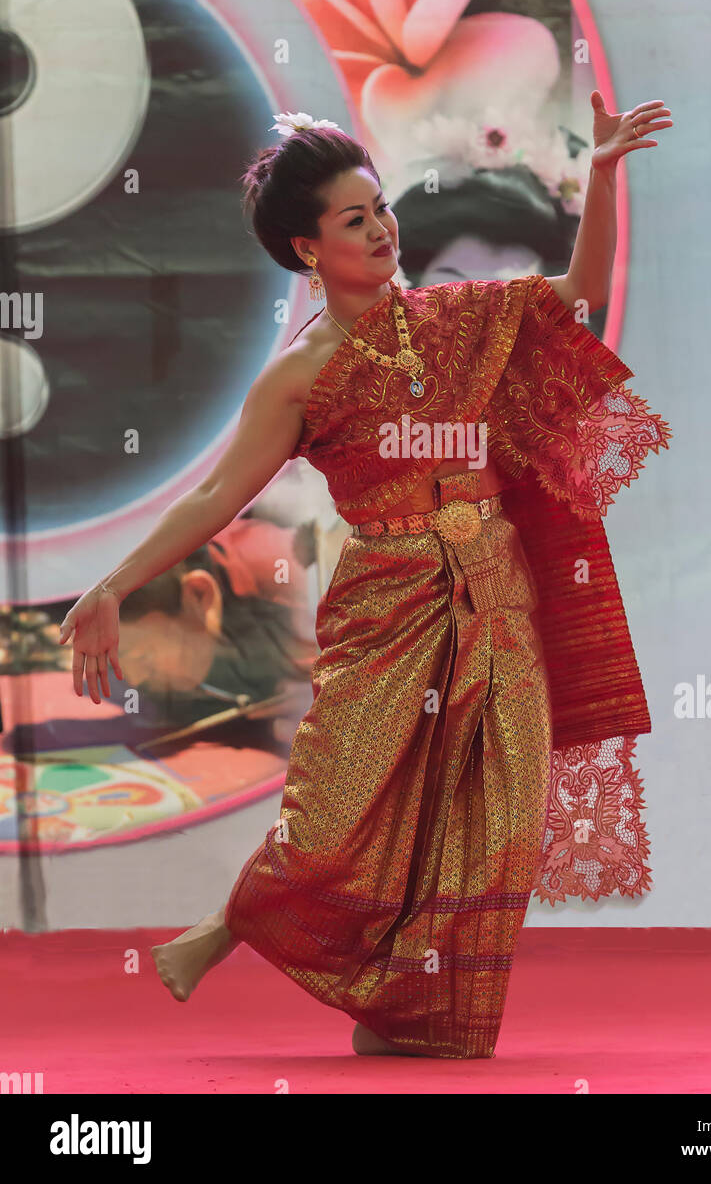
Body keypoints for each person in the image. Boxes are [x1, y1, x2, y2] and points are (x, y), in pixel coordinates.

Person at [59, 91, 673, 1058]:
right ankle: (237, 928)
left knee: (497, 813)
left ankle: (418, 1011)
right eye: (355, 219)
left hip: (494, 589)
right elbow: (215, 495)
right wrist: (108, 585)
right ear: (308, 248)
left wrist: (598, 172)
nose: (383, 229)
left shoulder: (459, 319)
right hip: (389, 597)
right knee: (341, 812)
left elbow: (580, 287)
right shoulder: (300, 377)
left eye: (382, 208)